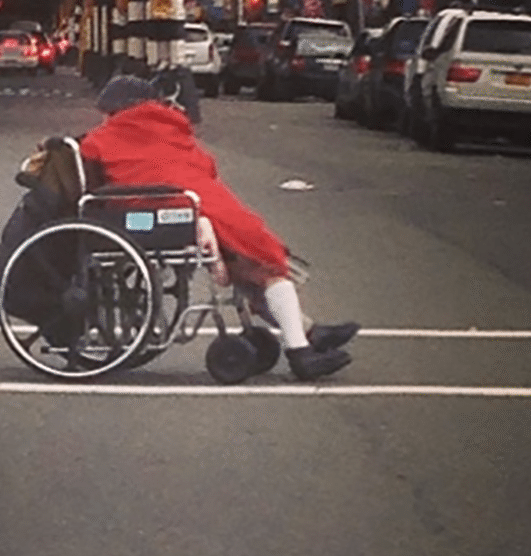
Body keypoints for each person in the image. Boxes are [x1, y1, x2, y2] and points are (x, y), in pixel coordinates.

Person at [78, 75, 358, 382]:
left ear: (115, 109)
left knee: (252, 261)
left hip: (162, 211)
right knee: (260, 259)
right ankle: (301, 345)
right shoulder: (172, 127)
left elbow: (90, 173)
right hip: (196, 204)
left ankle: (307, 335)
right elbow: (207, 165)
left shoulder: (103, 138)